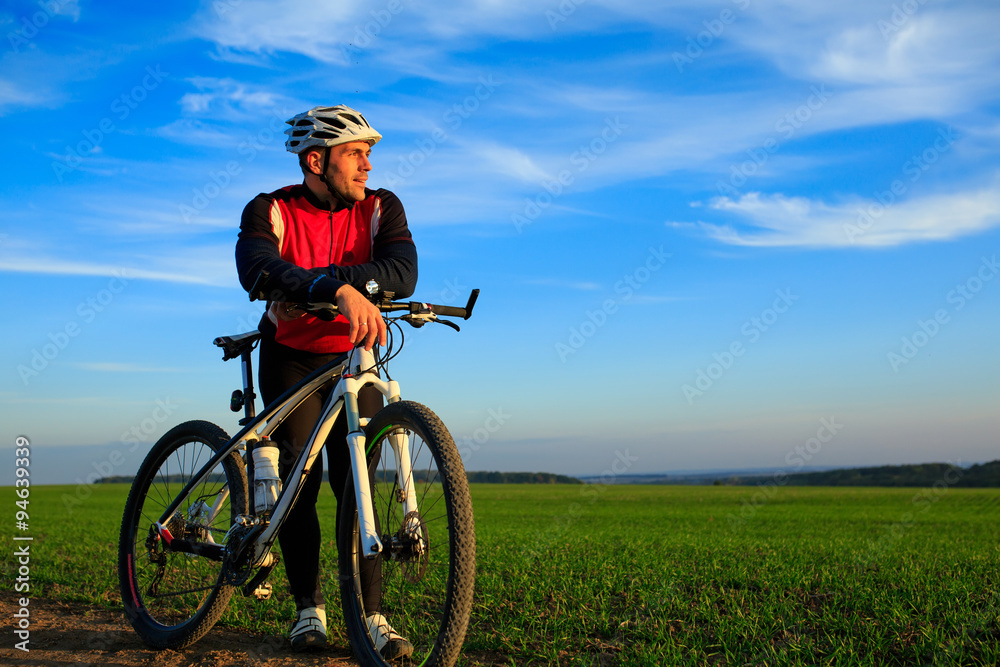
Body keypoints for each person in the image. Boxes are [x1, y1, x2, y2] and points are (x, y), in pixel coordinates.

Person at [235, 105, 417, 658]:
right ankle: (307, 610)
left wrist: (331, 284)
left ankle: (374, 618)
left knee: (355, 484)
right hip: (290, 359)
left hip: (353, 360)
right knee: (301, 482)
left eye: (369, 154)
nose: (367, 164)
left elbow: (402, 270)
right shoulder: (271, 209)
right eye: (355, 153)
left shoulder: (381, 207)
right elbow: (257, 267)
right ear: (316, 160)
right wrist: (335, 290)